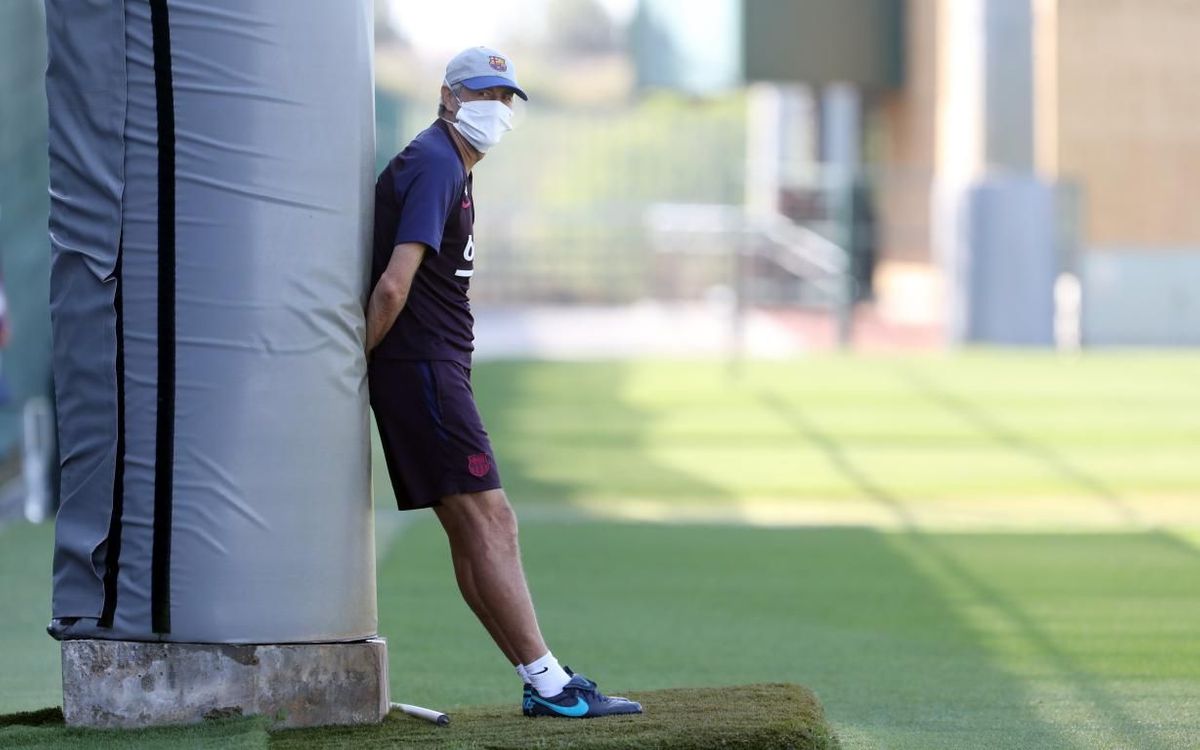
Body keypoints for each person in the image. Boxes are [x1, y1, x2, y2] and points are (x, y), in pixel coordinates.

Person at [365, 46, 642, 719]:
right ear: (449, 96)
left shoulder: (448, 164)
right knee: (493, 520)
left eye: (505, 97)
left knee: (471, 527)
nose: (497, 108)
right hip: (422, 370)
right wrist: (349, 367)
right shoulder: (435, 163)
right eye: (482, 94)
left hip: (428, 369)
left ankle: (539, 677)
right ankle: (550, 685)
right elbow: (395, 282)